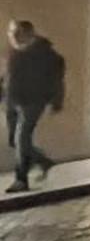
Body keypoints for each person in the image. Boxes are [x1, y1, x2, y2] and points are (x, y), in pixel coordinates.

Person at [4, 21, 65, 193]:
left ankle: (21, 180)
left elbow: (56, 81)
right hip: (12, 101)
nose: (12, 37)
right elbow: (8, 77)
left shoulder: (47, 55)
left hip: (32, 102)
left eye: (16, 33)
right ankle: (43, 161)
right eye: (11, 33)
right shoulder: (14, 52)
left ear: (28, 34)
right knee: (13, 140)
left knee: (21, 138)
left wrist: (56, 101)